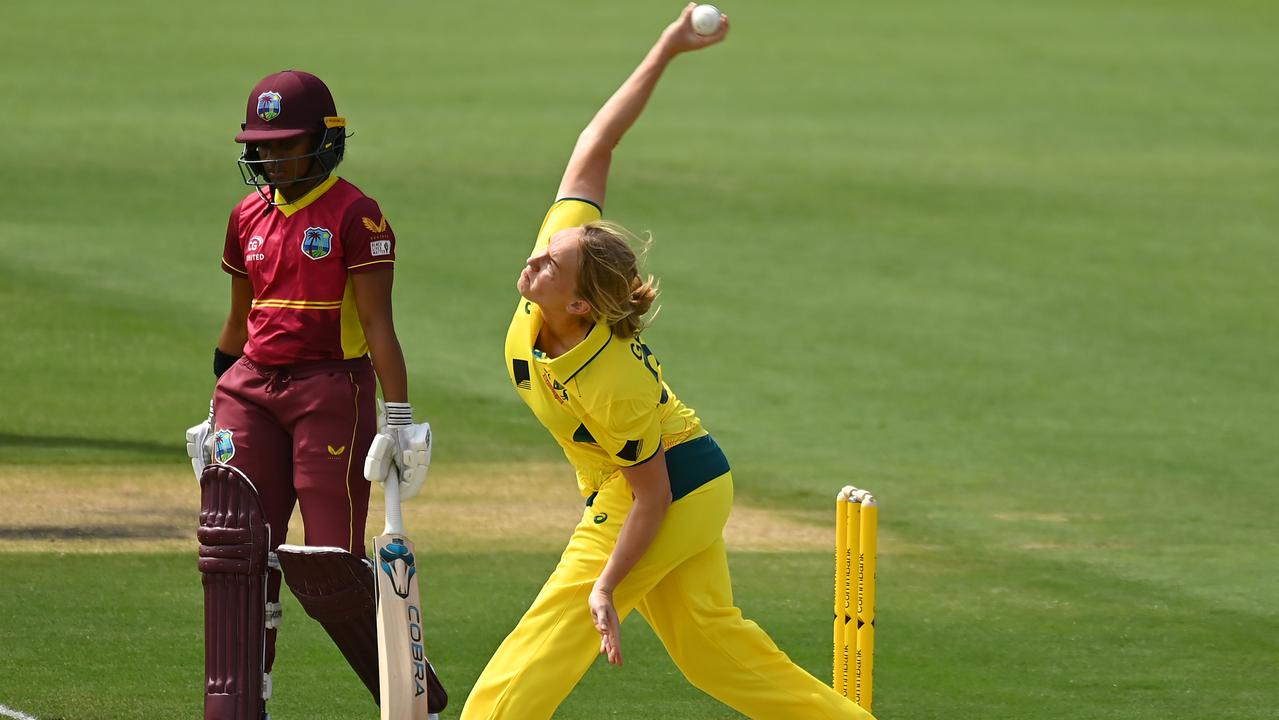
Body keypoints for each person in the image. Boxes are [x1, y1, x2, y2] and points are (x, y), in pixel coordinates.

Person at [462, 7, 876, 719]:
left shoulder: (611, 381)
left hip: (667, 490)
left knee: (549, 636)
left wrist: (605, 585)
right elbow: (598, 141)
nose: (534, 256)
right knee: (714, 651)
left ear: (584, 306)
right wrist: (666, 47)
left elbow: (648, 497)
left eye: (550, 263)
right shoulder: (559, 280)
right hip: (673, 481)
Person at [185, 69, 444, 719]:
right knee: (237, 551)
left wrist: (401, 420)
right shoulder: (246, 214)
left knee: (329, 566)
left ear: (324, 142)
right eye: (260, 145)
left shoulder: (356, 214)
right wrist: (211, 404)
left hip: (330, 389)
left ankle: (410, 699)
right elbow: (236, 320)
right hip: (249, 390)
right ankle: (240, 705)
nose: (268, 156)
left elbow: (379, 327)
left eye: (283, 144)